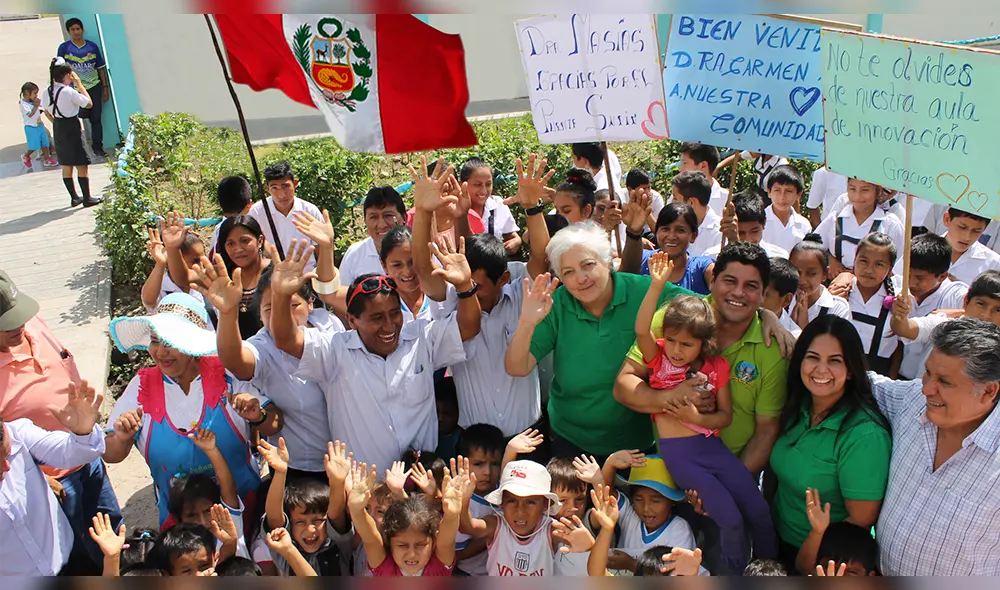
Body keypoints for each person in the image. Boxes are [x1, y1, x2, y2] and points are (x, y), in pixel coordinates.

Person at [268, 225, 483, 471]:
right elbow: (286, 339)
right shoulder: (334, 351)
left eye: (394, 313)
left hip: (422, 487)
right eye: (377, 318)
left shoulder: (421, 338)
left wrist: (466, 286)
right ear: (352, 320)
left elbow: (468, 328)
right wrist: (280, 295)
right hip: (366, 495)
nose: (390, 325)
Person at [505, 219, 696, 461]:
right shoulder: (556, 304)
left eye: (588, 265)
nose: (580, 278)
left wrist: (761, 314)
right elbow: (517, 367)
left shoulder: (648, 291)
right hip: (570, 442)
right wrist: (526, 322)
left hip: (639, 445)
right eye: (568, 272)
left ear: (607, 261)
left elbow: (708, 307)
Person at [634, 265, 777, 574]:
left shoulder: (717, 366)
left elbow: (724, 417)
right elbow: (643, 330)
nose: (676, 349)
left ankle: (770, 571)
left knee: (760, 511)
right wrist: (656, 286)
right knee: (731, 521)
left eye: (686, 344)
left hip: (713, 448)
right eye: (671, 340)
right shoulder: (658, 359)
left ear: (703, 343)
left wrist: (695, 415)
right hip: (683, 458)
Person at [103, 293, 279, 527]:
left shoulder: (227, 374)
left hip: (246, 511)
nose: (160, 352)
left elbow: (275, 422)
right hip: (181, 529)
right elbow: (111, 454)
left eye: (170, 343)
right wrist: (123, 438)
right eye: (155, 341)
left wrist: (259, 416)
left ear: (192, 343)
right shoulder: (141, 386)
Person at [617, 241, 791, 477]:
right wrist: (674, 398)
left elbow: (766, 432)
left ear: (763, 294)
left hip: (730, 478)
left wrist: (727, 485)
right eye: (729, 281)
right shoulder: (675, 318)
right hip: (668, 476)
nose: (738, 292)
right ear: (712, 281)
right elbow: (624, 386)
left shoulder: (773, 349)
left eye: (751, 286)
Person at [413, 156, 546, 437]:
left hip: (530, 437)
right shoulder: (454, 297)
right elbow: (424, 271)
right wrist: (423, 213)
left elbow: (541, 258)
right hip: (473, 447)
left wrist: (533, 208)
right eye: (467, 284)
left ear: (504, 279)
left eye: (479, 286)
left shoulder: (523, 295)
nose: (470, 291)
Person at [0, 270, 122, 572]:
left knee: (113, 535)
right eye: (6, 324)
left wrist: (84, 432)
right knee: (78, 553)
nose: (18, 327)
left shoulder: (34, 326)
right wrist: (34, 476)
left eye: (19, 316)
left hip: (87, 456)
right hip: (51, 481)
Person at [199, 238, 341, 479]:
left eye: (291, 303)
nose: (280, 315)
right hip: (301, 470)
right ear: (261, 317)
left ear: (310, 304)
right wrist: (227, 313)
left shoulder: (329, 325)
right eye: (269, 309)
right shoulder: (262, 347)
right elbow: (235, 360)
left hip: (348, 461)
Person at [867, 318, 1000, 575]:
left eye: (945, 382)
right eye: (928, 372)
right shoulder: (910, 400)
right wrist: (772, 319)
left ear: (989, 391)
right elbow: (855, 380)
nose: (927, 389)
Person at [768, 316, 891, 574]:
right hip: (773, 537)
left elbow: (859, 519)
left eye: (835, 361)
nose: (821, 369)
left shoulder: (864, 436)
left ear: (850, 371)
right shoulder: (797, 405)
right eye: (812, 357)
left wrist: (811, 562)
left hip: (817, 561)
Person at [0, 379, 107, 576]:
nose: (7, 467)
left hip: (73, 563)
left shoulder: (18, 433)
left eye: (7, 455)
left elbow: (71, 453)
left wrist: (82, 434)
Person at [456, 458, 595, 577]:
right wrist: (463, 501)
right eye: (512, 501)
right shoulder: (497, 524)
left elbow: (591, 562)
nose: (520, 510)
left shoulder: (553, 531)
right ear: (502, 503)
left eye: (530, 502)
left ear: (545, 505)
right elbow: (467, 527)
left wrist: (590, 546)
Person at [165, 211, 272, 338]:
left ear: (259, 241)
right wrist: (172, 248)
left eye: (244, 240)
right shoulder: (222, 275)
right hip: (236, 352)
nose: (238, 249)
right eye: (230, 244)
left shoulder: (276, 272)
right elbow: (183, 278)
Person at [258, 437, 351, 576]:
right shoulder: (284, 547)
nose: (310, 529)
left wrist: (338, 482)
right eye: (300, 521)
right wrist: (280, 473)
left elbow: (336, 514)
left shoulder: (339, 546)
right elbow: (274, 518)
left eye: (318, 520)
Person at [349, 462, 462, 576]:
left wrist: (452, 515)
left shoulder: (438, 568)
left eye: (420, 544)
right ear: (389, 543)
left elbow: (447, 542)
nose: (411, 554)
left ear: (434, 542)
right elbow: (371, 538)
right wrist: (356, 510)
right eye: (402, 545)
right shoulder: (384, 567)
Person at [889, 270, 1000, 379]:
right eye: (981, 304)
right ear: (966, 302)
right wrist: (899, 316)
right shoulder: (944, 325)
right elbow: (904, 329)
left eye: (998, 310)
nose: (986, 315)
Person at [889, 233, 968, 379]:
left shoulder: (956, 294)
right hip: (895, 375)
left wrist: (959, 312)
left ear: (942, 276)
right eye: (908, 274)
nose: (911, 283)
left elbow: (981, 313)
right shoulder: (894, 285)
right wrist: (847, 277)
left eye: (920, 278)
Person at [41, 57, 101, 207]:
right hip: (71, 126)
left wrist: (55, 121)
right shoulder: (68, 91)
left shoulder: (47, 91)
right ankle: (87, 198)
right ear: (67, 74)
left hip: (58, 126)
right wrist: (79, 84)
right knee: (81, 163)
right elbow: (89, 103)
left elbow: (46, 110)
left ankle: (74, 197)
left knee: (66, 164)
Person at [816, 179, 904, 277]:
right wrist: (830, 260)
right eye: (852, 189)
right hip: (835, 285)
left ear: (877, 191)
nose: (857, 196)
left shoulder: (890, 223)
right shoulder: (835, 218)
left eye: (865, 190)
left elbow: (900, 265)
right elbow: (812, 245)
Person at [248, 162, 324, 272]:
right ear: (267, 188)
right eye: (274, 188)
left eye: (286, 186)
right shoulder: (256, 212)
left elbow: (320, 249)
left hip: (306, 276)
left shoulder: (310, 211)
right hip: (272, 279)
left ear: (295, 183)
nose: (281, 194)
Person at [625, 203, 714, 295]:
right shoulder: (641, 259)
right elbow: (621, 279)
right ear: (656, 232)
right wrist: (634, 231)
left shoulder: (701, 267)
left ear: (693, 236)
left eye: (680, 230)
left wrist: (730, 238)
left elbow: (723, 282)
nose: (671, 236)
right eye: (665, 229)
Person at [845, 233, 901, 377]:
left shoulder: (897, 301)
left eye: (879, 264)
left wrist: (891, 379)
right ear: (855, 259)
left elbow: (899, 346)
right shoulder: (841, 293)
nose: (869, 270)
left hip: (878, 377)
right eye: (863, 261)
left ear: (890, 268)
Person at [57, 18, 108, 157]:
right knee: (76, 118)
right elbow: (59, 70)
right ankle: (76, 148)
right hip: (74, 89)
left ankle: (98, 147)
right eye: (72, 29)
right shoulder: (64, 48)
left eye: (77, 29)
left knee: (96, 119)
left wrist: (105, 87)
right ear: (68, 32)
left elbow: (101, 68)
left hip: (94, 86)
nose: (76, 32)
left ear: (82, 30)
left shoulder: (92, 47)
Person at [338, 186, 407, 289]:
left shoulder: (421, 249)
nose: (382, 225)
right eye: (373, 217)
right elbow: (343, 297)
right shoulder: (354, 255)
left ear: (404, 218)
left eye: (388, 215)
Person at [702, 190, 789, 260]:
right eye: (741, 233)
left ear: (764, 223)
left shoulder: (780, 258)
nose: (748, 239)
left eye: (754, 231)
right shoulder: (711, 258)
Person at [787, 238, 851, 331]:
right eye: (796, 272)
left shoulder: (836, 309)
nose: (802, 280)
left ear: (824, 274)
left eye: (811, 274)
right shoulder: (779, 297)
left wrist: (804, 328)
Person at [460, 157, 522, 253]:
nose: (484, 190)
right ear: (462, 184)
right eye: (477, 185)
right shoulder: (455, 208)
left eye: (488, 184)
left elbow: (511, 235)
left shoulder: (498, 205)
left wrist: (516, 241)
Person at [141, 227, 206, 312]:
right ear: (176, 259)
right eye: (195, 261)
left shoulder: (204, 281)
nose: (201, 266)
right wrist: (160, 264)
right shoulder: (161, 287)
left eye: (204, 260)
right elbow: (149, 301)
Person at [940, 207, 1000, 284]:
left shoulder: (993, 264)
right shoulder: (922, 251)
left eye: (977, 231)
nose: (967, 237)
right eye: (962, 227)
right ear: (947, 219)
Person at [671, 170, 721, 257]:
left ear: (691, 203)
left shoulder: (719, 233)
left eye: (675, 198)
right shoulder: (673, 225)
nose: (671, 202)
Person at [762, 165, 811, 253]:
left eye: (788, 191)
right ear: (769, 192)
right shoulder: (759, 221)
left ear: (798, 194)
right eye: (777, 190)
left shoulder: (803, 225)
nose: (782, 197)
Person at [209, 176, 254, 257]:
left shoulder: (218, 231)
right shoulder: (252, 229)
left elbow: (212, 258)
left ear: (219, 204)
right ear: (249, 205)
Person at [678, 142, 728, 216]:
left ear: (703, 165)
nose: (680, 169)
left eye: (685, 163)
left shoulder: (727, 199)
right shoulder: (677, 194)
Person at [19, 81, 58, 170]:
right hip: (31, 127)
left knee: (45, 142)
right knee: (34, 145)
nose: (36, 95)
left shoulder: (33, 101)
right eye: (34, 93)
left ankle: (47, 159)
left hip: (39, 125)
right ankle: (26, 156)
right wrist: (36, 106)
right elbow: (30, 114)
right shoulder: (23, 103)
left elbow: (43, 106)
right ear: (27, 93)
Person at [764, 257, 801, 336]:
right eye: (754, 288)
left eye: (765, 294)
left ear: (786, 300)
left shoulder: (794, 340)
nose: (755, 298)